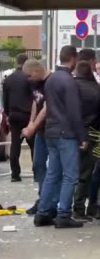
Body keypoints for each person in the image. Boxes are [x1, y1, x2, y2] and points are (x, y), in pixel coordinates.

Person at [33, 45, 87, 228]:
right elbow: (74, 111)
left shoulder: (51, 79)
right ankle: (63, 214)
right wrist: (82, 137)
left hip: (50, 132)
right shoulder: (69, 81)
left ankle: (42, 213)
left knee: (52, 174)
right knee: (71, 175)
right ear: (73, 59)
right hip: (66, 133)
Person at [21, 59, 53, 215]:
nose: (28, 79)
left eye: (29, 76)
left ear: (36, 71)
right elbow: (36, 102)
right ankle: (43, 199)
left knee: (54, 168)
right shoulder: (36, 84)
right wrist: (30, 123)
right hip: (41, 131)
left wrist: (33, 127)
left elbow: (46, 108)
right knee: (38, 165)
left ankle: (49, 201)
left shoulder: (51, 82)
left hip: (52, 130)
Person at [72, 61, 100, 221]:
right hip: (93, 134)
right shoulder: (96, 89)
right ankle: (80, 208)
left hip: (70, 133)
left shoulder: (71, 87)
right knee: (86, 172)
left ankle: (64, 207)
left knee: (69, 172)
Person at [3, 53, 35, 182]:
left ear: (16, 62)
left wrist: (7, 114)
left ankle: (15, 175)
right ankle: (37, 172)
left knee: (15, 145)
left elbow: (5, 100)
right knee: (33, 145)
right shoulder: (29, 78)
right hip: (28, 115)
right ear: (26, 63)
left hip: (14, 115)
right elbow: (34, 97)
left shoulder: (8, 79)